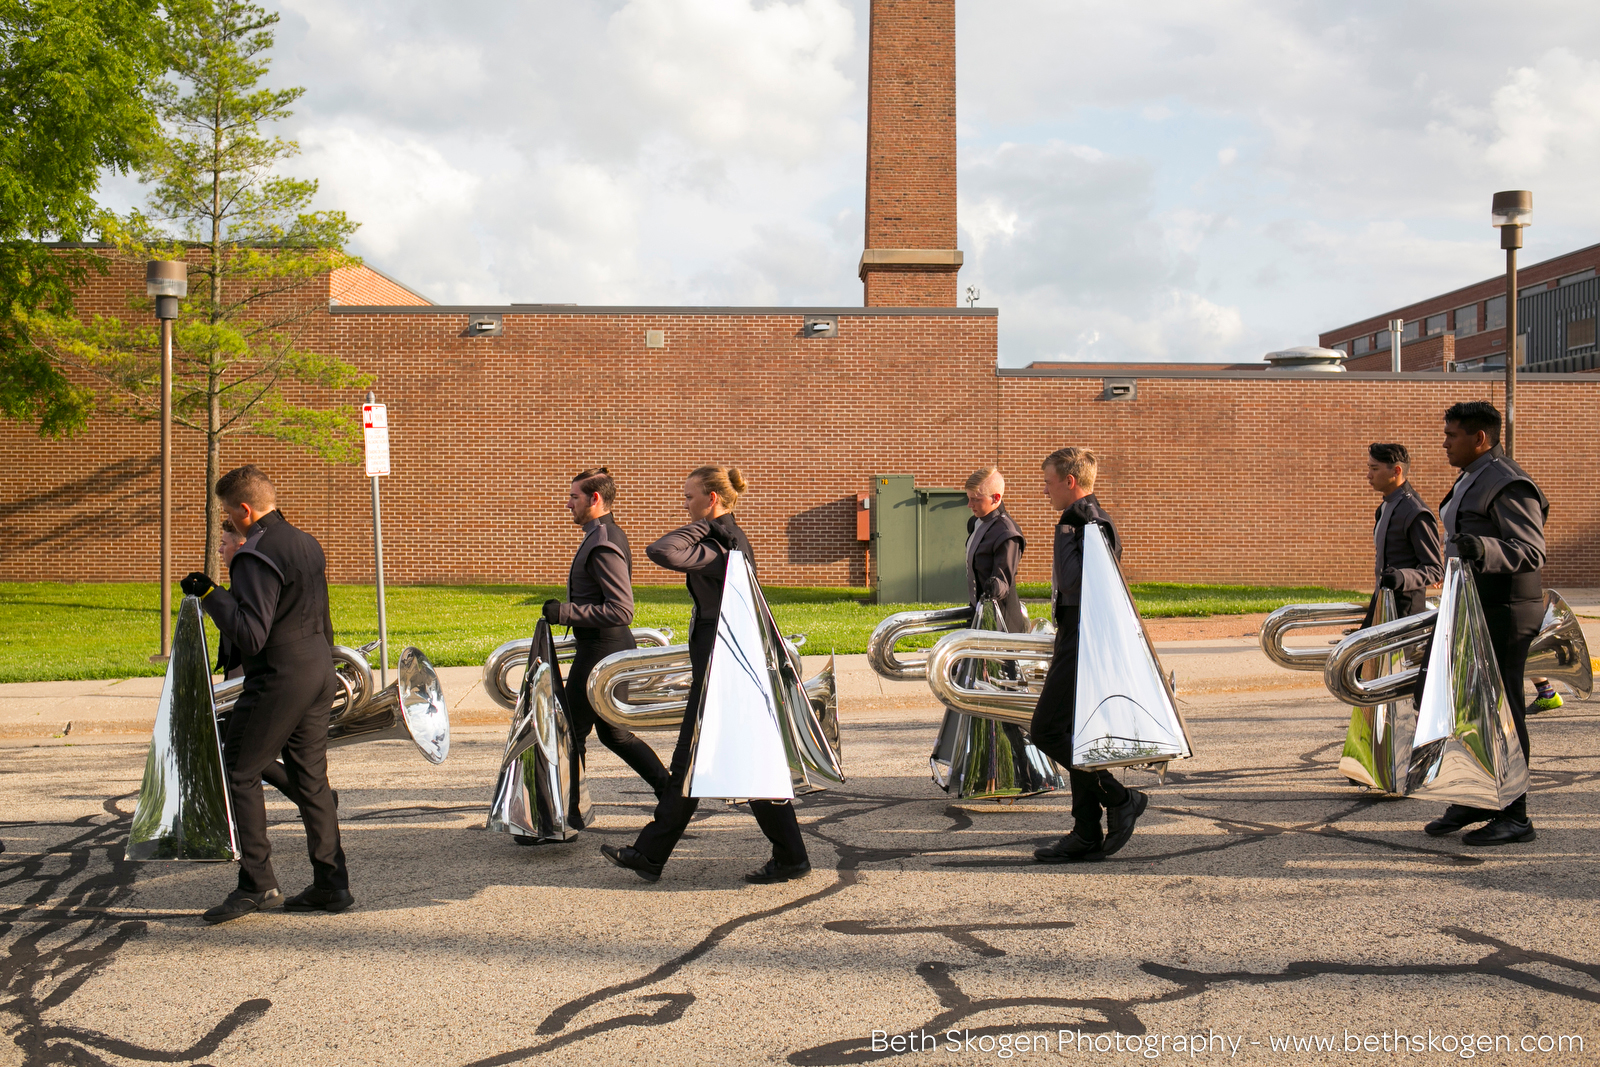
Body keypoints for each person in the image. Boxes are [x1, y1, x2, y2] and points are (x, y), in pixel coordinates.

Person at [601, 466, 810, 884]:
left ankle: (654, 854)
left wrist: (707, 526)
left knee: (710, 765)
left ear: (711, 498)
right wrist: (712, 524)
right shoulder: (722, 542)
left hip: (725, 679)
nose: (684, 503)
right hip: (721, 674)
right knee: (709, 766)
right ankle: (653, 854)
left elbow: (661, 550)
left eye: (690, 497)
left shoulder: (721, 550)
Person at [180, 464, 352, 921]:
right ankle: (331, 886)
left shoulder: (253, 553)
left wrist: (212, 593)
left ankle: (257, 884)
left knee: (238, 771)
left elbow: (251, 634)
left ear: (245, 508)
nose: (227, 521)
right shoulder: (304, 542)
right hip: (318, 667)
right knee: (311, 781)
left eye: (227, 511)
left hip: (279, 675)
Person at [1424, 402, 1547, 846]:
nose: (1444, 442)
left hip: (1506, 610)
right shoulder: (1472, 477)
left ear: (1480, 438)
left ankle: (1516, 814)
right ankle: (1478, 798)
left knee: (1504, 711)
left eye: (1452, 435)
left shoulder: (1507, 482)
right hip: (1475, 609)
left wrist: (1480, 547)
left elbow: (1531, 551)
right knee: (1470, 708)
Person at [1027, 447, 1145, 863]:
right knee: (1079, 736)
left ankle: (1119, 796)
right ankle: (1086, 829)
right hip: (1077, 636)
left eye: (1048, 481)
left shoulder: (1083, 521)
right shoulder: (1085, 520)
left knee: (1046, 731)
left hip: (1083, 639)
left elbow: (1083, 588)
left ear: (1070, 482)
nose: (1045, 490)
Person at [540, 468, 669, 824]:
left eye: (574, 497)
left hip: (601, 652)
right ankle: (670, 794)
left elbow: (621, 609)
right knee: (615, 735)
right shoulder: (600, 535)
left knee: (571, 732)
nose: (568, 504)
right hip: (603, 649)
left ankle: (567, 814)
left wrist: (563, 612)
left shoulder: (603, 540)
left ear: (595, 499)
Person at [1362, 443, 1442, 624]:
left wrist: (1402, 577)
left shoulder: (1415, 512)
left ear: (1396, 471)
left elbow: (1435, 569)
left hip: (1406, 611)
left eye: (1374, 468)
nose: (1369, 475)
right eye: (1369, 468)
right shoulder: (1384, 507)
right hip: (1382, 602)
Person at [963, 466, 1028, 632]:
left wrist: (992, 586)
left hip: (1002, 622)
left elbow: (1002, 581)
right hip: (980, 614)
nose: (970, 504)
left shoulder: (1008, 533)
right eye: (969, 498)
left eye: (976, 499)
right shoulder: (976, 522)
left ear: (996, 498)